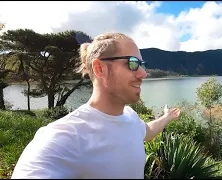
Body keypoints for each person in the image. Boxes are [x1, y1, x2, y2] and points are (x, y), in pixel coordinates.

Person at [11, 32, 181, 179]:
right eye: (132, 63)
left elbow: (147, 132)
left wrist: (167, 117)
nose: (143, 73)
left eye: (142, 65)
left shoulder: (130, 117)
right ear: (100, 68)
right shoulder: (66, 136)